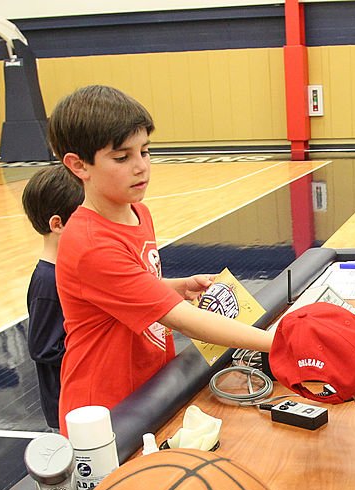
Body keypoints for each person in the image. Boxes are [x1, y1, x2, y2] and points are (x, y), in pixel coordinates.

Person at [47, 85, 272, 430]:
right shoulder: (90, 243)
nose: (141, 167)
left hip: (150, 385)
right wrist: (278, 342)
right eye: (122, 158)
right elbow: (181, 320)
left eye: (145, 152)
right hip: (106, 409)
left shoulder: (138, 211)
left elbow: (127, 289)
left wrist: (176, 286)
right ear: (79, 165)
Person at [22, 164, 84, 429]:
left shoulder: (71, 269)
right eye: (84, 218)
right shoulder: (47, 283)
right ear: (57, 224)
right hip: (68, 406)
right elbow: (43, 347)